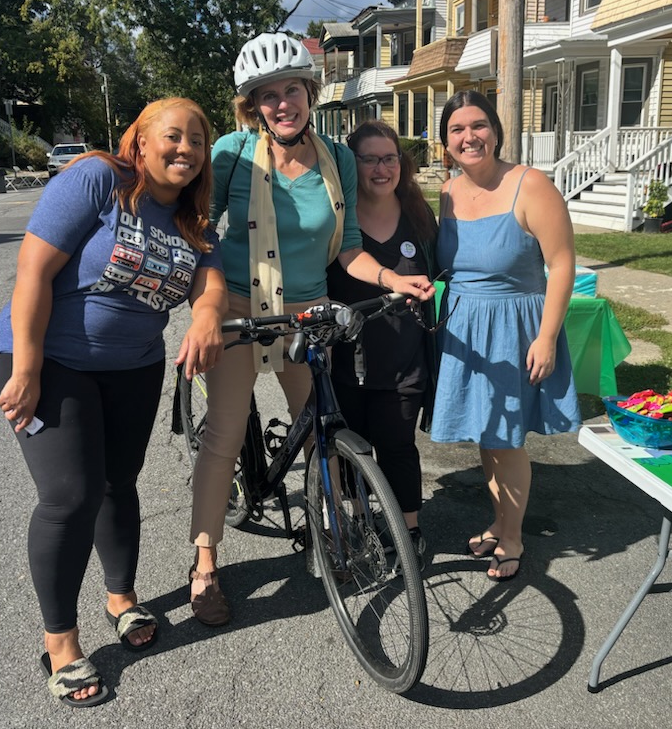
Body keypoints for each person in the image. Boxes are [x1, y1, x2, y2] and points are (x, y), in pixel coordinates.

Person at [188, 33, 434, 625]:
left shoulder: (338, 159)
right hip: (243, 308)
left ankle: (331, 531)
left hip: (309, 312)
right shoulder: (232, 153)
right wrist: (205, 310)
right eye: (267, 95)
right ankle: (204, 564)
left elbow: (348, 249)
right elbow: (202, 233)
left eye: (291, 90)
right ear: (253, 105)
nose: (282, 104)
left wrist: (392, 279)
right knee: (223, 432)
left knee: (326, 427)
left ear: (309, 93)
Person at [0, 97, 228, 707]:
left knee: (120, 482)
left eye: (198, 140)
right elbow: (33, 270)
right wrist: (27, 368)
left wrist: (205, 319)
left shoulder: (194, 221)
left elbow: (211, 285)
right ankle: (61, 642)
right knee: (71, 495)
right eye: (173, 137)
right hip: (50, 360)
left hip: (134, 366)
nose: (186, 149)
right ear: (140, 143)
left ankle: (120, 597)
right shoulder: (101, 178)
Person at [433, 90, 580, 582]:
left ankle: (513, 537)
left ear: (495, 131)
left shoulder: (531, 184)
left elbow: (561, 266)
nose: (468, 136)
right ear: (445, 142)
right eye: (456, 129)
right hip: (464, 329)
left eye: (478, 125)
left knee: (508, 439)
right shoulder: (448, 192)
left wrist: (546, 337)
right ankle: (499, 522)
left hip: (515, 329)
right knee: (486, 434)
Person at [326, 120, 438, 567]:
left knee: (396, 445)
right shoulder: (338, 218)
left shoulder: (417, 214)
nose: (380, 167)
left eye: (389, 157)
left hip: (404, 358)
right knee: (352, 446)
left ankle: (408, 530)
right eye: (369, 159)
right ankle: (362, 519)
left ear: (401, 163)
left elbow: (444, 273)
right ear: (353, 166)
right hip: (346, 356)